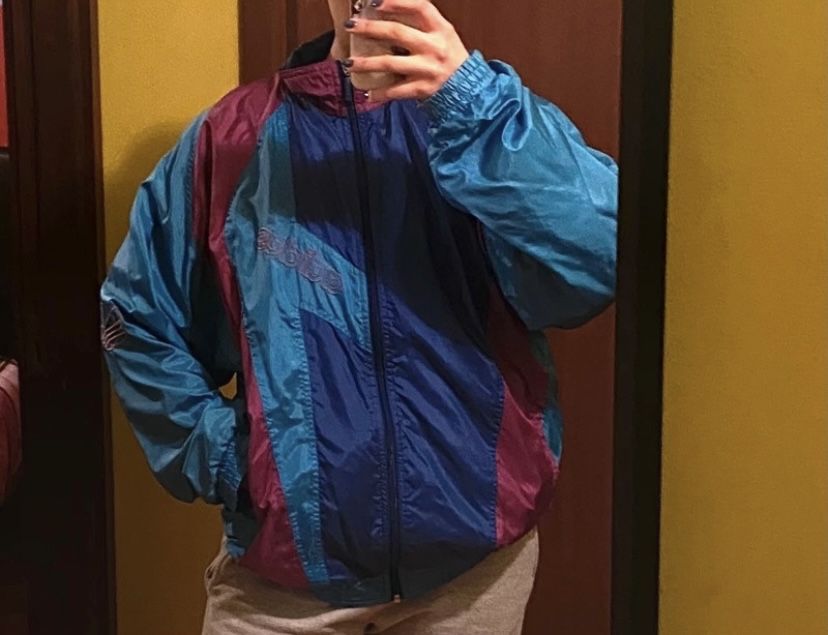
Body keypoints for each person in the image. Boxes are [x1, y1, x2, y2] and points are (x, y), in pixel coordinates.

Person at [101, 0, 618, 632]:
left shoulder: (490, 122)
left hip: (474, 578)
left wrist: (470, 101)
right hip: (283, 588)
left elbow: (602, 258)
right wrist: (232, 462)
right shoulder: (232, 137)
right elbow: (135, 319)